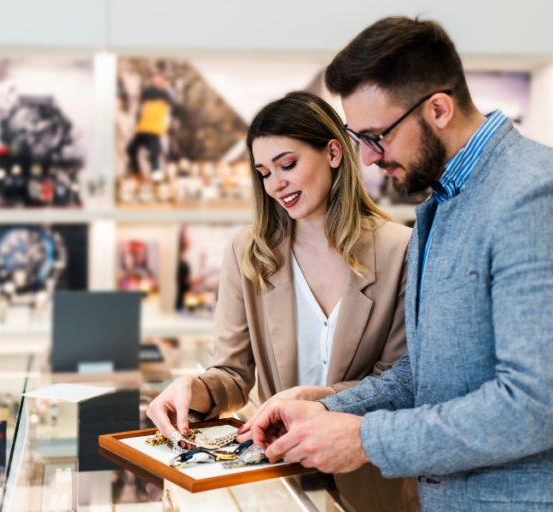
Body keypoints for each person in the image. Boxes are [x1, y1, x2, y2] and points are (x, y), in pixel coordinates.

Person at [244, 17, 553, 512]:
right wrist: (322, 410)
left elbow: (535, 408)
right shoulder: (442, 205)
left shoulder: (539, 195)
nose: (365, 159)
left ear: (439, 110)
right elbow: (425, 375)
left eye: (376, 136)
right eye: (358, 137)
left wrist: (366, 439)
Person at [147, 91, 420, 512]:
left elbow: (399, 383)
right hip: (278, 482)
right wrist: (192, 388)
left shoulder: (400, 249)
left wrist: (317, 399)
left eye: (287, 165)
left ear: (333, 152)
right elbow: (233, 375)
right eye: (263, 173)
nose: (276, 185)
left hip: (371, 484)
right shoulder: (247, 252)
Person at [126, 73, 174, 181]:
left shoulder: (165, 94)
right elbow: (143, 100)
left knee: (154, 154)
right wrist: (136, 124)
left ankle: (156, 179)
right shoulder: (149, 92)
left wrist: (164, 86)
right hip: (143, 128)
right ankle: (138, 173)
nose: (157, 82)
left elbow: (170, 101)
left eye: (159, 79)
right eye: (155, 79)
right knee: (131, 149)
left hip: (154, 129)